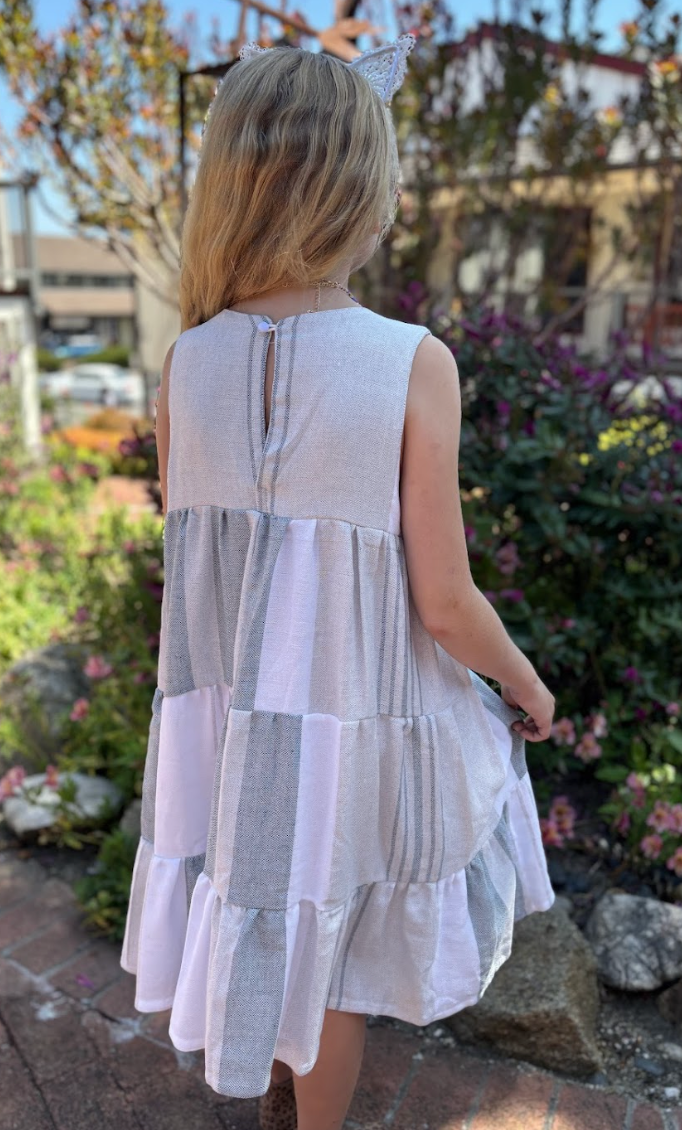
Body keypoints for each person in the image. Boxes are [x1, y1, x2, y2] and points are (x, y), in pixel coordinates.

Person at [119, 33, 556, 1130]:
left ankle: (267, 1081)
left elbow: (205, 563)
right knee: (335, 963)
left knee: (260, 906)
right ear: (360, 191)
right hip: (345, 723)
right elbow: (444, 599)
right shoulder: (409, 360)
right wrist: (524, 685)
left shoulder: (186, 364)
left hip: (229, 722)